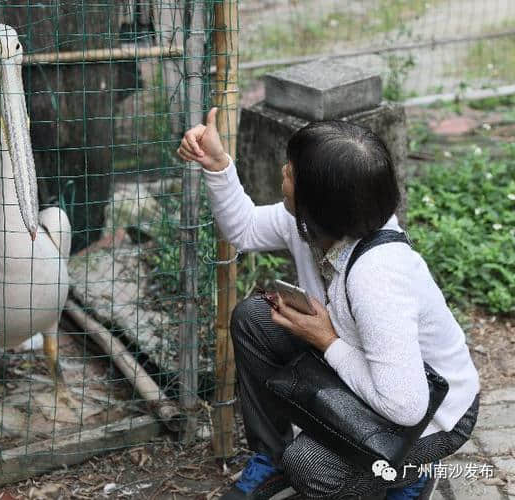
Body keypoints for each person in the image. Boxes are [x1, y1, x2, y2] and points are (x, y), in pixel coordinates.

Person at [176, 109, 481, 500]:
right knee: (255, 318)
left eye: (292, 171)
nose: (284, 171)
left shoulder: (378, 275)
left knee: (311, 465)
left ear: (319, 200)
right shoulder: (320, 221)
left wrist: (326, 341)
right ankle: (272, 458)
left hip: (432, 413)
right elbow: (245, 229)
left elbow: (404, 406)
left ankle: (409, 475)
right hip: (368, 373)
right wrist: (218, 165)